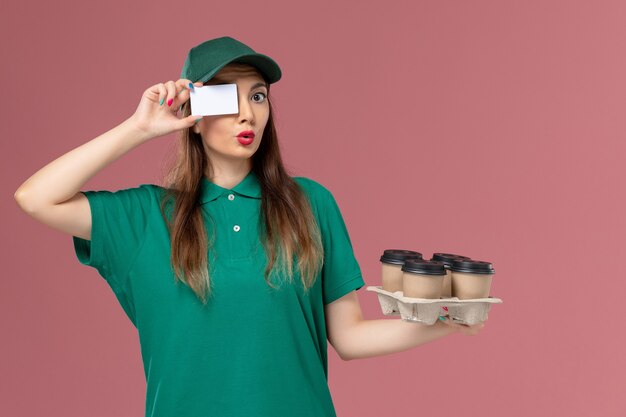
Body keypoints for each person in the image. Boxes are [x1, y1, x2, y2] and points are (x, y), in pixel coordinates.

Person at [14, 36, 484, 417]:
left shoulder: (310, 203)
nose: (248, 113)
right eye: (226, 96)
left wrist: (449, 322)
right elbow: (35, 197)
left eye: (258, 95)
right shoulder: (145, 217)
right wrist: (138, 128)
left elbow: (349, 337)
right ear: (194, 116)